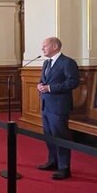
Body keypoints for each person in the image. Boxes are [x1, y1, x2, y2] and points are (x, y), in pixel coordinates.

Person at [36, 37, 79, 180]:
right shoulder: (46, 63)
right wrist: (40, 85)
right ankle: (53, 161)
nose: (42, 49)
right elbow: (44, 80)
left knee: (60, 137)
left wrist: (50, 88)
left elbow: (73, 82)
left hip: (59, 107)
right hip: (46, 106)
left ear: (55, 46)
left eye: (44, 46)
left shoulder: (67, 62)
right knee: (49, 136)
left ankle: (64, 167)